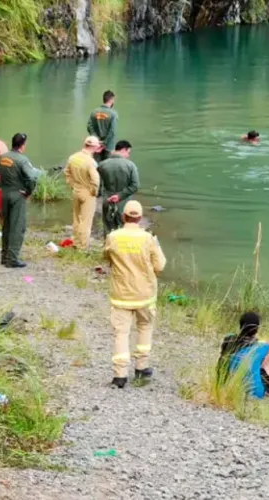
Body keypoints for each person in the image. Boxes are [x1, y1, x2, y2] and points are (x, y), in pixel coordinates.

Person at [103, 200, 166, 388]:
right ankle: (141, 367)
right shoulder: (148, 239)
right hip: (145, 294)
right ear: (139, 218)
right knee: (144, 328)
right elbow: (160, 266)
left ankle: (120, 375)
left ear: (124, 217)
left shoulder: (113, 237)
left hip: (121, 294)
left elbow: (107, 258)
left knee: (121, 333)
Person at [0, 133, 38, 268]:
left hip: (4, 193)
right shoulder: (22, 160)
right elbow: (32, 178)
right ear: (23, 145)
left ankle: (4, 256)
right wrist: (28, 191)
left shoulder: (3, 157)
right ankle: (12, 259)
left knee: (7, 225)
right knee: (17, 227)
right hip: (18, 195)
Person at [217, 312, 269, 398]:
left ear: (240, 326)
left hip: (227, 386)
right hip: (254, 392)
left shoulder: (228, 339)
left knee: (256, 359)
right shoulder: (260, 346)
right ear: (257, 329)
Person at [64, 136, 101, 249]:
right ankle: (82, 246)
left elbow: (66, 172)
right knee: (86, 221)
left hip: (76, 190)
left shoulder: (73, 157)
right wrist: (94, 192)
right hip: (87, 193)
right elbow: (96, 180)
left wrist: (72, 185)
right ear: (93, 147)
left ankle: (75, 240)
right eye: (97, 146)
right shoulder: (91, 162)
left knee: (76, 218)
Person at [97, 140, 139, 236]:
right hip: (124, 202)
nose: (128, 155)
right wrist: (120, 196)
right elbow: (135, 186)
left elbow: (97, 184)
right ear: (123, 150)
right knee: (126, 228)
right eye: (128, 152)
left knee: (108, 229)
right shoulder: (130, 165)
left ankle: (108, 248)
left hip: (107, 200)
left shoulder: (102, 165)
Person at [87, 90, 118, 162]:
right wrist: (105, 143)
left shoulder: (94, 112)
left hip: (96, 145)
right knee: (107, 166)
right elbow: (112, 131)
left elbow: (89, 126)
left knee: (96, 165)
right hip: (109, 146)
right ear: (111, 99)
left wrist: (97, 139)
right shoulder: (113, 114)